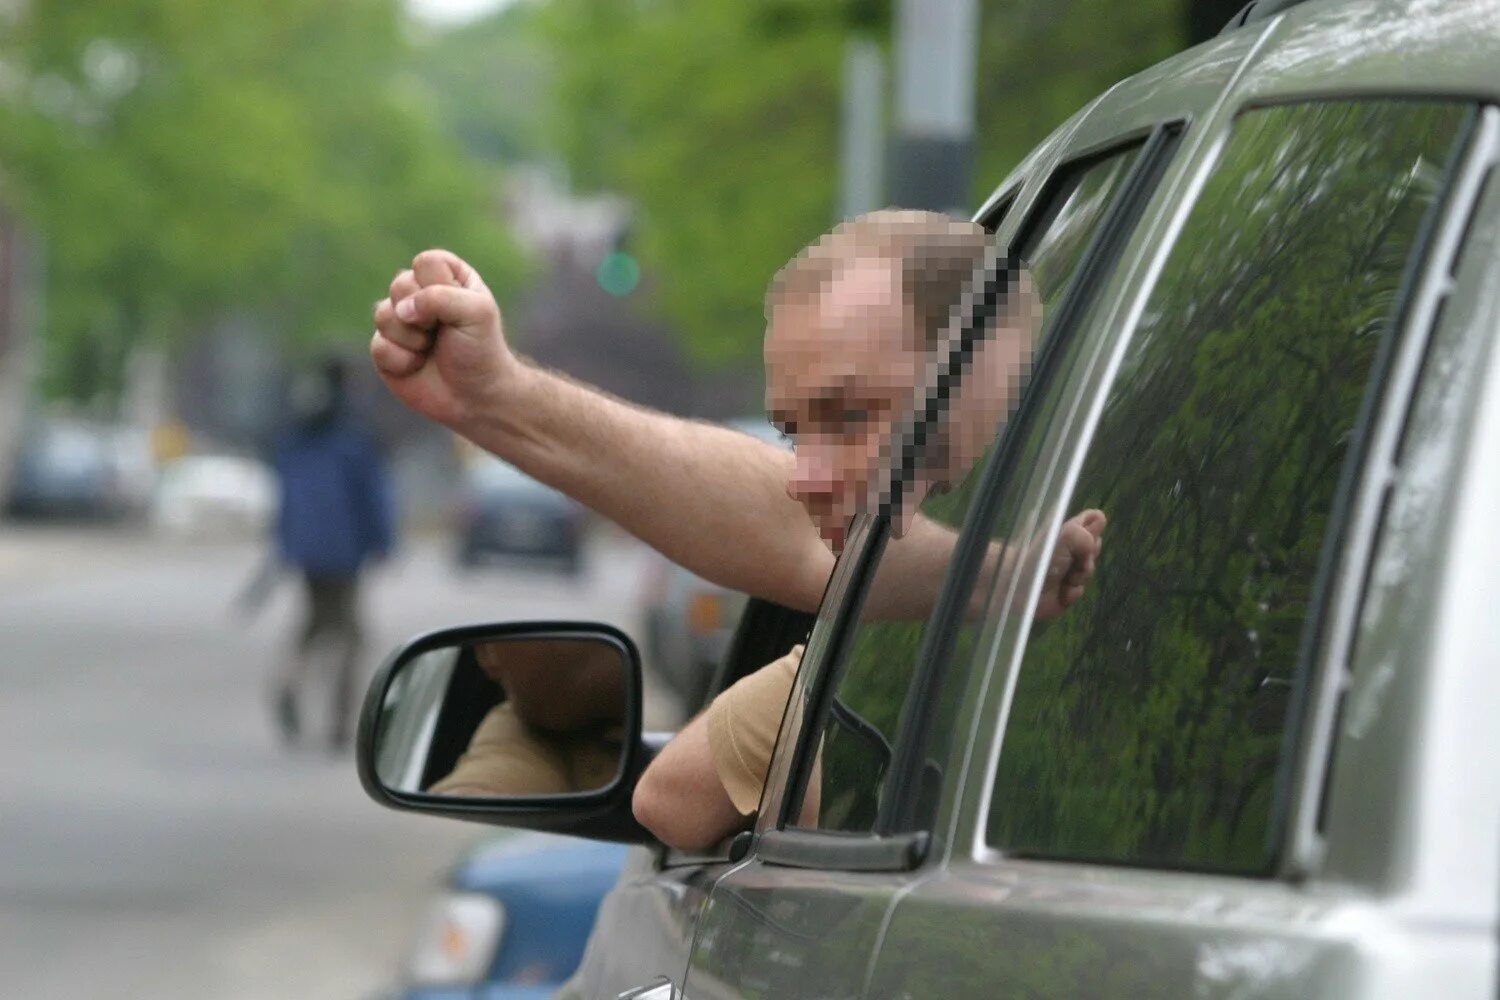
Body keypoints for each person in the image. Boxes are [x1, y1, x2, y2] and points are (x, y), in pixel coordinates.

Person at [370, 210, 1103, 847]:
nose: (806, 476)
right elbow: (794, 533)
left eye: (850, 414)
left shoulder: (839, 684)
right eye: (793, 432)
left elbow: (668, 803)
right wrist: (495, 396)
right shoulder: (1017, 576)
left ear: (998, 380)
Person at [271, 358, 395, 750]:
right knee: (351, 635)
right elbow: (372, 496)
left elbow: (287, 493)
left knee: (313, 624)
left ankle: (288, 682)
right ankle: (341, 723)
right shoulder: (353, 434)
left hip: (306, 548)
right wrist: (383, 543)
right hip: (345, 551)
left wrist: (288, 541)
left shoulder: (297, 432)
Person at [429, 638, 626, 797]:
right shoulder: (519, 723)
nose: (487, 663)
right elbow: (493, 770)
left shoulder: (544, 711)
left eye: (507, 629)